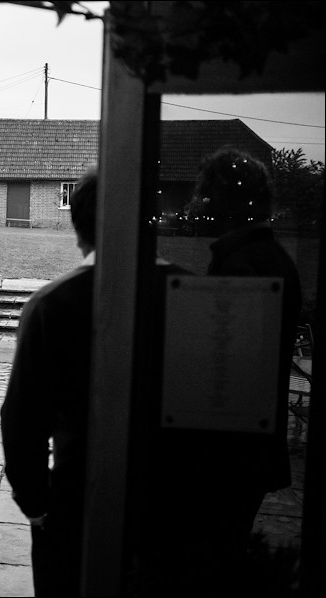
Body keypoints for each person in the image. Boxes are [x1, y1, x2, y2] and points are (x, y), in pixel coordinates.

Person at [0, 169, 186, 596]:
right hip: (175, 506)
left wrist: (36, 505)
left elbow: (21, 421)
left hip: (79, 503)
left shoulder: (52, 305)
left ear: (78, 227)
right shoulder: (193, 294)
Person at [146, 146, 303, 593]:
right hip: (247, 450)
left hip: (230, 455)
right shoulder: (268, 258)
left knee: (210, 566)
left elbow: (226, 367)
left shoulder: (245, 265)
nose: (198, 205)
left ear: (219, 202)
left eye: (204, 196)